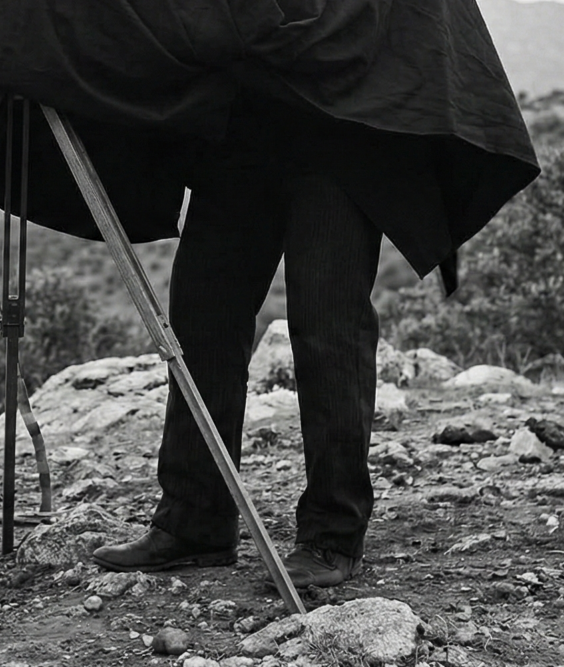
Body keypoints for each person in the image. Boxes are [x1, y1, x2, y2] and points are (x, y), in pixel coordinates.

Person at [91, 97, 428, 589]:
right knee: (202, 316)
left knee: (327, 323)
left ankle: (332, 536)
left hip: (341, 124)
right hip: (241, 122)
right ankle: (194, 522)